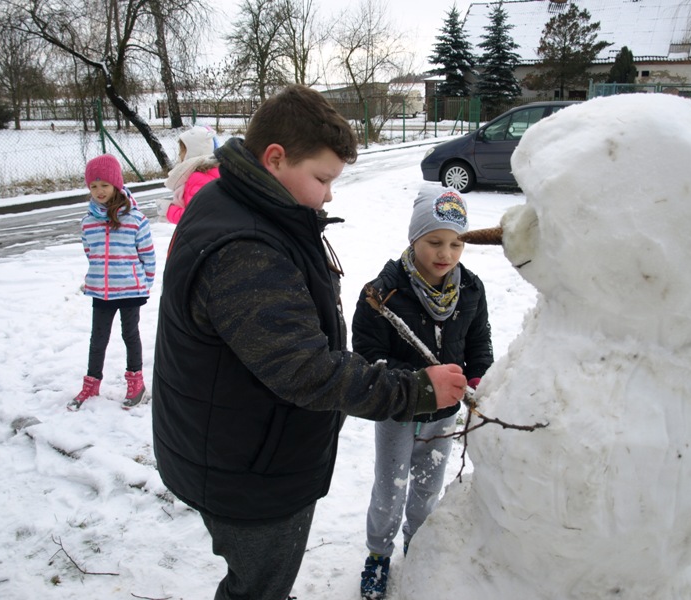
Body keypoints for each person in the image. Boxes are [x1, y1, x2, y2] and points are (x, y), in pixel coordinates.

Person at [151, 84, 468, 600]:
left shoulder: (235, 199)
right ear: (275, 158)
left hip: (238, 443)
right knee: (258, 584)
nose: (329, 193)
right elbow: (306, 371)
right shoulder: (246, 248)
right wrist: (418, 390)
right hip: (250, 470)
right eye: (322, 178)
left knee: (260, 578)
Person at [352, 184, 494, 600]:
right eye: (434, 242)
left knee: (428, 485)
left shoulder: (470, 289)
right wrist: (414, 385)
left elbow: (478, 341)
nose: (445, 254)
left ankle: (418, 541)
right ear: (414, 238)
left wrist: (479, 378)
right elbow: (367, 355)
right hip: (398, 408)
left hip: (444, 412)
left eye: (456, 244)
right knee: (390, 484)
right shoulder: (384, 292)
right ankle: (378, 553)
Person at [68, 154, 156, 411]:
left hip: (130, 289)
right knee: (98, 339)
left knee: (130, 335)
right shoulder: (88, 223)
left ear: (116, 184)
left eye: (104, 185)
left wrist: (144, 282)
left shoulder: (135, 219)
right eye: (93, 186)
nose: (99, 191)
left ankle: (136, 384)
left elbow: (148, 255)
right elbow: (90, 253)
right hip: (101, 291)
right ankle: (92, 383)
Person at [157, 125, 220, 224]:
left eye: (182, 150)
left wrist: (168, 210)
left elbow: (195, 218)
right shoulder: (212, 172)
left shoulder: (198, 178)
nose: (179, 155)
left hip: (201, 237)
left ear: (193, 151)